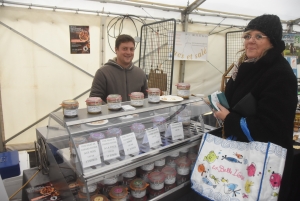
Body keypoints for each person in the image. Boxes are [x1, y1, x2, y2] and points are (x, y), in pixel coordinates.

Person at [214, 14, 297, 200]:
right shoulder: (246, 67)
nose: (250, 41)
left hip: (265, 166)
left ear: (273, 42)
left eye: (259, 36)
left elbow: (271, 129)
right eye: (247, 36)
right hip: (242, 159)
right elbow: (234, 104)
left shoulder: (280, 74)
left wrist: (229, 118)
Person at [90, 34, 148, 102]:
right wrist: (113, 108)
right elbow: (94, 100)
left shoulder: (140, 73)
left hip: (136, 112)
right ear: (116, 49)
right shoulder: (103, 73)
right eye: (125, 49)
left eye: (131, 49)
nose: (129, 52)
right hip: (112, 112)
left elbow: (146, 97)